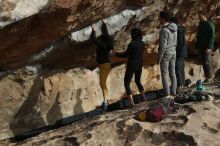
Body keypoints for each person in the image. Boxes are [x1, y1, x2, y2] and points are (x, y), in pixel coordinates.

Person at [114, 28, 146, 107]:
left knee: (126, 83)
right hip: (139, 64)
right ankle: (144, 98)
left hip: (132, 65)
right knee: (138, 81)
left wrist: (116, 54)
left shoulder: (132, 44)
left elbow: (126, 55)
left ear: (133, 35)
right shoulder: (142, 43)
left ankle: (132, 102)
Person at [90, 21, 113, 110]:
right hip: (106, 64)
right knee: (102, 83)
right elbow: (105, 32)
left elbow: (93, 39)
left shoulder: (102, 45)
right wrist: (105, 24)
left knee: (102, 83)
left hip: (103, 65)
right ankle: (105, 100)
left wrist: (93, 30)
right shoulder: (108, 44)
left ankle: (105, 101)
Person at [158, 11, 177, 97]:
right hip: (173, 52)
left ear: (163, 19)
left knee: (164, 74)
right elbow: (176, 41)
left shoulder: (164, 30)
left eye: (160, 18)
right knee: (172, 72)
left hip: (166, 54)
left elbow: (163, 46)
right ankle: (174, 91)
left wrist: (159, 57)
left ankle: (167, 94)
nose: (159, 19)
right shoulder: (175, 28)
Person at [196, 11, 215, 83]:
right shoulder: (200, 25)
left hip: (207, 48)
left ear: (204, 16)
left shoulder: (209, 25)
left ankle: (209, 77)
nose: (199, 18)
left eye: (200, 16)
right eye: (198, 16)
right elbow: (198, 36)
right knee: (203, 62)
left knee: (207, 62)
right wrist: (197, 46)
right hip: (201, 47)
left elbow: (212, 37)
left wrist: (209, 47)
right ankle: (207, 77)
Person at [170, 17, 187, 93]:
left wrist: (175, 51)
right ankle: (182, 85)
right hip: (183, 52)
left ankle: (179, 86)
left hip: (179, 53)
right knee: (181, 70)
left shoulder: (178, 31)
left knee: (177, 69)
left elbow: (179, 43)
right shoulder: (181, 30)